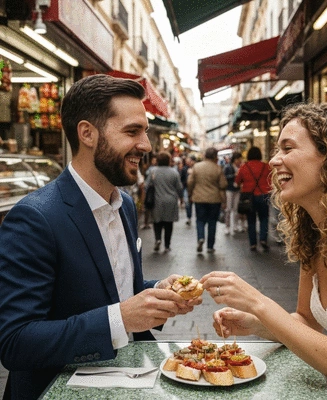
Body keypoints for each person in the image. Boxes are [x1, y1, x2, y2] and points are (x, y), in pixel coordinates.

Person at [0, 74, 201, 400]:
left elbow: (115, 291)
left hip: (132, 381)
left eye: (145, 132)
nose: (146, 146)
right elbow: (15, 341)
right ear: (87, 134)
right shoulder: (35, 219)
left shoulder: (125, 207)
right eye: (132, 131)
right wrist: (119, 319)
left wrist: (155, 293)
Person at [201, 102, 327, 399]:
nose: (274, 161)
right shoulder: (317, 233)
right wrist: (257, 323)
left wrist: (258, 303)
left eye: (287, 148)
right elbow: (307, 321)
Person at [187, 147, 227, 253]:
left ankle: (200, 238)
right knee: (212, 222)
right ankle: (210, 246)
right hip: (215, 199)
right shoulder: (218, 168)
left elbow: (190, 182)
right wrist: (224, 201)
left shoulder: (196, 166)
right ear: (215, 156)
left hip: (199, 198)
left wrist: (190, 194)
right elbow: (223, 185)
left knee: (200, 220)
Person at [235, 146, 272, 251]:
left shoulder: (244, 166)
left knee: (251, 220)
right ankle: (263, 239)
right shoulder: (266, 166)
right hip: (263, 195)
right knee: (264, 218)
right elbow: (271, 180)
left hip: (249, 196)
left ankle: (253, 243)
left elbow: (237, 180)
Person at [146, 151, 183, 252]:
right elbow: (179, 188)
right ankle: (167, 245)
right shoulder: (174, 172)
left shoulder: (153, 171)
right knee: (168, 223)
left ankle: (158, 239)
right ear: (168, 161)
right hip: (171, 201)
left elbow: (147, 185)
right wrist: (182, 199)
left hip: (157, 200)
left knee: (157, 222)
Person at [223, 151, 242, 235]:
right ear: (235, 159)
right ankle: (227, 226)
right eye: (239, 159)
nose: (240, 161)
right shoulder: (228, 167)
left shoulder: (240, 167)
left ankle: (235, 225)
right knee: (228, 209)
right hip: (229, 189)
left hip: (237, 190)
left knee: (236, 208)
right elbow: (225, 177)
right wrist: (234, 175)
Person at [141, 154, 158, 229]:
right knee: (148, 206)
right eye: (153, 160)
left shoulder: (154, 169)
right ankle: (147, 222)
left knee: (149, 206)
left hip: (152, 189)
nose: (154, 161)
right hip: (151, 190)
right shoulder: (150, 169)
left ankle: (148, 222)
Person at [180, 155, 196, 226]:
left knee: (195, 203)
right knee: (188, 203)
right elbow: (181, 178)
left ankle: (195, 217)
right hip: (186, 188)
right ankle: (189, 217)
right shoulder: (184, 169)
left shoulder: (196, 168)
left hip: (195, 188)